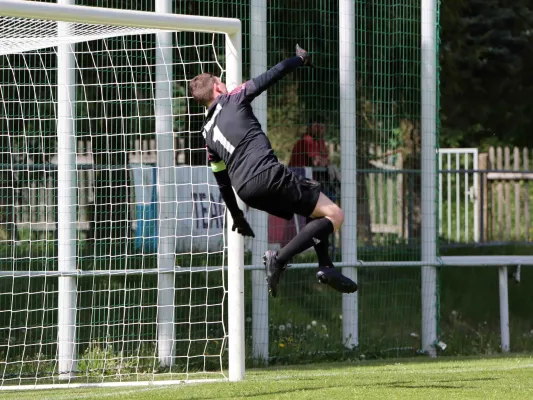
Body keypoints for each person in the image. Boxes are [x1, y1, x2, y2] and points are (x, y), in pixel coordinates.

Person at [189, 45, 357, 297]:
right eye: (221, 82)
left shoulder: (207, 136)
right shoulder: (234, 97)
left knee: (316, 208)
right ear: (216, 88)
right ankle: (278, 259)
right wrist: (299, 58)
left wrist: (237, 217)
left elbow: (222, 181)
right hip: (267, 175)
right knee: (335, 215)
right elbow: (273, 74)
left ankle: (325, 266)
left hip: (247, 191)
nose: (224, 84)